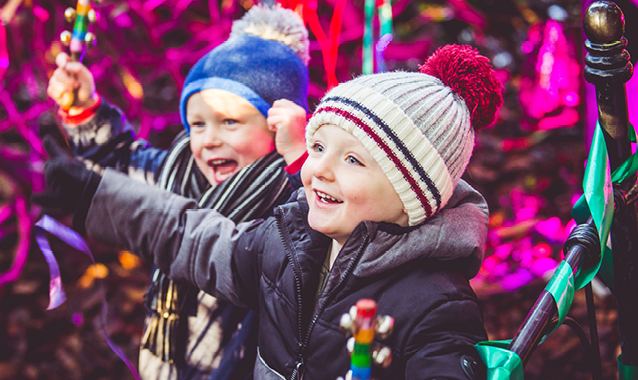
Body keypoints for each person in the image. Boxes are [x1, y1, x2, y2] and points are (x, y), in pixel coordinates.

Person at [35, 44, 503, 380]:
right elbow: (190, 235)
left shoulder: (435, 304)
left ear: (411, 194)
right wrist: (95, 197)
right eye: (318, 146)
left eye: (353, 159)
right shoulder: (287, 240)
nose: (318, 169)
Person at [40, 4, 311, 380]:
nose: (209, 140)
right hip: (167, 362)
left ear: (279, 125)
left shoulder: (288, 198)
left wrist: (301, 157)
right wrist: (86, 111)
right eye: (197, 124)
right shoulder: (179, 173)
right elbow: (121, 163)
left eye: (229, 122)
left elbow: (317, 216)